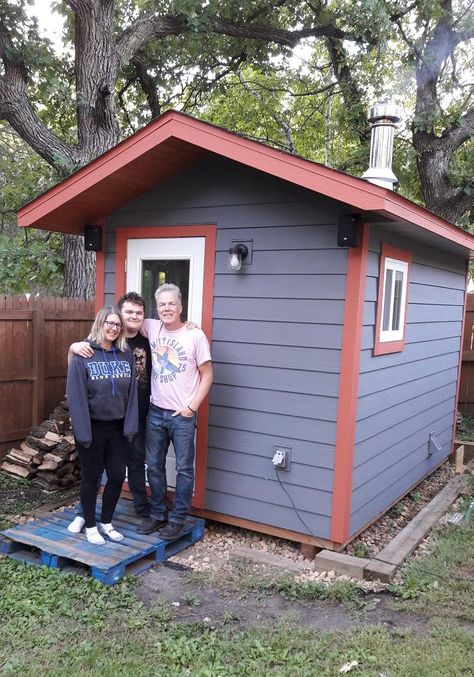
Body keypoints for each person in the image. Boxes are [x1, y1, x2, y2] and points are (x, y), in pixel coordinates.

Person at [67, 293, 152, 533]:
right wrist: (73, 347)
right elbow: (75, 394)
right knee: (92, 476)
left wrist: (130, 425)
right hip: (93, 427)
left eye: (117, 325)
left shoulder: (127, 353)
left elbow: (133, 391)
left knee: (117, 475)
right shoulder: (84, 353)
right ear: (100, 323)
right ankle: (87, 521)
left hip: (120, 426)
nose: (114, 328)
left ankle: (106, 522)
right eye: (110, 323)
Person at [137, 283, 213, 540]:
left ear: (181, 307)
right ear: (156, 308)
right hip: (156, 412)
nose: (166, 308)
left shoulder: (195, 336)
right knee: (154, 467)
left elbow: (208, 375)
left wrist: (192, 408)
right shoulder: (152, 326)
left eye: (171, 304)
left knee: (183, 469)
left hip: (182, 416)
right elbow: (124, 317)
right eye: (162, 304)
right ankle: (158, 514)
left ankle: (178, 518)